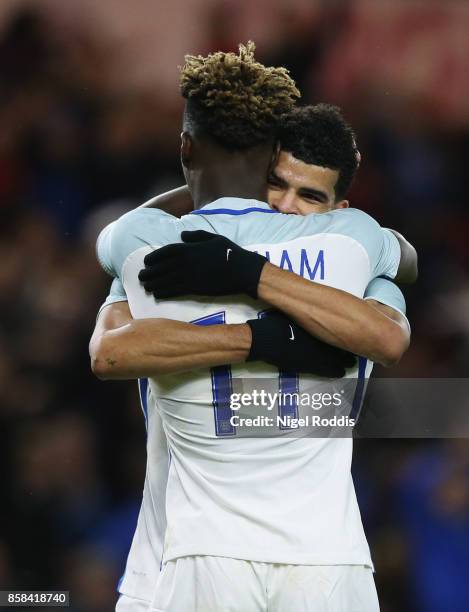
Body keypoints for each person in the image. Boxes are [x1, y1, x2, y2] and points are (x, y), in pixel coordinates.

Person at [91, 43, 411, 611]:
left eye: (310, 196)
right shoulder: (355, 245)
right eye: (278, 183)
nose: (288, 207)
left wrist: (245, 271)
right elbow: (400, 274)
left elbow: (108, 351)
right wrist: (269, 339)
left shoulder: (147, 243)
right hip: (318, 562)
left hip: (200, 553)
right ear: (267, 161)